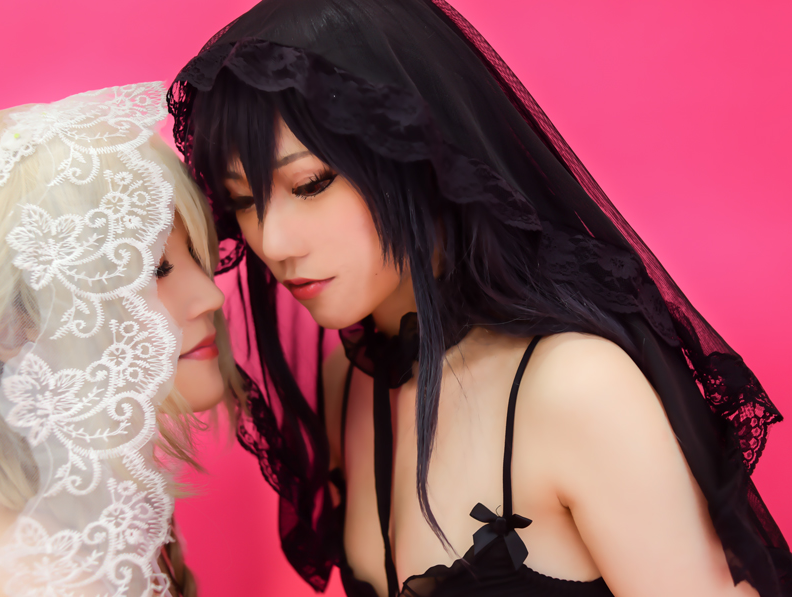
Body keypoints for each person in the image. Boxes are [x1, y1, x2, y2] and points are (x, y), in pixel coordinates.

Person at [166, 0, 791, 595]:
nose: (272, 242)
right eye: (243, 200)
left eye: (310, 183)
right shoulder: (348, 384)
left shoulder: (576, 388)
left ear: (415, 152)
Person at [0, 82, 243, 596]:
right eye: (152, 270)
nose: (210, 296)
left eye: (196, 253)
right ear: (13, 330)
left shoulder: (96, 526)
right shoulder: (44, 582)